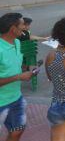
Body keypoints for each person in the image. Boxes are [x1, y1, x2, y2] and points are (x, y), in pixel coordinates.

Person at [0, 13, 37, 141]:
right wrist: (19, 77)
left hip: (16, 98)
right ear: (13, 29)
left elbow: (12, 65)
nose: (25, 27)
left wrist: (29, 69)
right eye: (22, 24)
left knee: (17, 130)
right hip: (0, 102)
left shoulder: (16, 42)